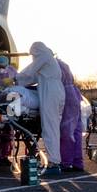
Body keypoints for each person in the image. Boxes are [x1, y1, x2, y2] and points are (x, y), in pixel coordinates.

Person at [15, 41, 66, 178]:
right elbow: (32, 77)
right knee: (52, 127)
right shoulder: (47, 62)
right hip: (56, 92)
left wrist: (15, 77)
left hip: (50, 93)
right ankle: (55, 161)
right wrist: (19, 81)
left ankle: (54, 163)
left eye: (33, 54)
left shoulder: (44, 57)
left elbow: (29, 71)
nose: (33, 57)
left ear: (36, 51)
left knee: (49, 127)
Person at [57, 57, 85, 172]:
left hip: (67, 96)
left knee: (66, 132)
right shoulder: (63, 64)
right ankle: (77, 162)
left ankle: (66, 162)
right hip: (74, 94)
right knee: (76, 131)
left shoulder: (55, 65)